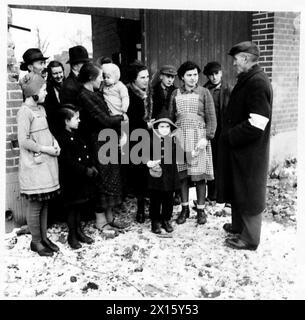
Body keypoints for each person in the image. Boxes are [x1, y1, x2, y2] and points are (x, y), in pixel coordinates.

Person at [218, 41, 273, 251]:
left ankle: (250, 238)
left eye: (235, 59)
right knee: (239, 189)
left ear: (245, 58)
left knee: (249, 192)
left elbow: (258, 123)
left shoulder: (257, 82)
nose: (233, 64)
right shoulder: (249, 79)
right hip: (241, 150)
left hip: (250, 151)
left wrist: (231, 136)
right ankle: (239, 226)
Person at [77, 62, 126, 231]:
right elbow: (103, 120)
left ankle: (110, 216)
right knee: (102, 181)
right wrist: (121, 118)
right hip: (97, 143)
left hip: (107, 140)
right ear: (91, 78)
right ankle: (100, 221)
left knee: (112, 179)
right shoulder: (84, 95)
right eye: (99, 77)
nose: (102, 80)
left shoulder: (95, 92)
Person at [17, 72, 60, 257]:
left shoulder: (41, 110)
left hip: (46, 163)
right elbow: (23, 141)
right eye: (43, 89)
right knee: (35, 205)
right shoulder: (24, 112)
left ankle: (43, 237)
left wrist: (55, 142)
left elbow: (47, 131)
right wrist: (45, 148)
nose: (46, 93)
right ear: (33, 92)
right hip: (34, 165)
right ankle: (35, 241)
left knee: (45, 203)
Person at [169, 61, 217, 225]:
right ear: (182, 77)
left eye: (195, 74)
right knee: (182, 176)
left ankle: (201, 210)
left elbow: (211, 118)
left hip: (199, 139)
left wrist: (207, 137)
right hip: (181, 138)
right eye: (189, 75)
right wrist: (173, 135)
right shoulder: (175, 93)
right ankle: (184, 209)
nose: (192, 78)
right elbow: (170, 119)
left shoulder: (204, 92)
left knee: (199, 176)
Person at [56, 106, 96, 249]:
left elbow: (84, 152)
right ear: (67, 121)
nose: (79, 121)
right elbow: (68, 161)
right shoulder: (62, 137)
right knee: (72, 207)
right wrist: (85, 170)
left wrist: (91, 165)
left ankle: (79, 231)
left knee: (78, 206)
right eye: (76, 118)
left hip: (80, 178)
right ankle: (72, 235)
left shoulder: (76, 133)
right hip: (71, 179)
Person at [203, 61, 232, 209]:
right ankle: (212, 195)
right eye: (211, 75)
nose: (214, 77)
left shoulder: (229, 90)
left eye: (216, 74)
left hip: (224, 133)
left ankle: (226, 197)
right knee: (210, 163)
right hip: (210, 133)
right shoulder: (204, 90)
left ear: (221, 73)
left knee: (224, 165)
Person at [125, 61, 152, 223]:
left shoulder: (149, 92)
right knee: (140, 173)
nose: (146, 80)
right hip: (136, 138)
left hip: (151, 137)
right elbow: (130, 119)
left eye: (148, 76)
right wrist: (146, 124)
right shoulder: (129, 94)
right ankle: (140, 209)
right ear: (134, 79)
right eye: (142, 77)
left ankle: (152, 205)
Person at [146, 113, 181, 234]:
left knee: (168, 198)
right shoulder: (150, 140)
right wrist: (148, 162)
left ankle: (166, 219)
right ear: (156, 128)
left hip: (170, 174)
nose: (165, 129)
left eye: (167, 126)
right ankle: (155, 220)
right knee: (155, 198)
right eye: (162, 126)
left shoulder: (173, 141)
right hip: (156, 175)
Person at [101, 63, 129, 152]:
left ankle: (122, 148)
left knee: (123, 133)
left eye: (108, 77)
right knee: (113, 134)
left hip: (119, 113)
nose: (106, 80)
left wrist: (125, 107)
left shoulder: (120, 86)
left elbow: (125, 97)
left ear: (116, 76)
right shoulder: (103, 86)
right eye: (104, 77)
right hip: (110, 115)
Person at [44, 60, 65, 137]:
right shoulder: (47, 90)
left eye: (60, 72)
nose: (59, 76)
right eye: (55, 73)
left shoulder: (68, 85)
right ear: (50, 75)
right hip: (55, 129)